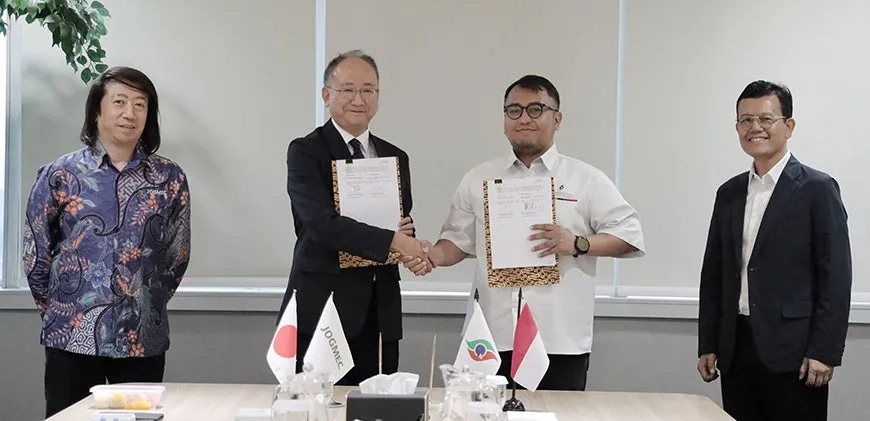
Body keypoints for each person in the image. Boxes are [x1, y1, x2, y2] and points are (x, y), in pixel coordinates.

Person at [407, 75, 645, 390]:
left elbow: (629, 236)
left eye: (536, 109)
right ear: (504, 120)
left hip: (557, 339)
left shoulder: (586, 179)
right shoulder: (478, 178)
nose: (524, 119)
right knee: (481, 411)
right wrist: (430, 255)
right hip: (490, 337)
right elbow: (457, 241)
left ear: (557, 119)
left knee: (556, 412)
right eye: (514, 110)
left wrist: (576, 243)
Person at [23, 66, 192, 418]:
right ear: (96, 112)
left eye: (140, 104)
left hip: (141, 338)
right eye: (119, 102)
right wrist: (61, 309)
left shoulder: (169, 177)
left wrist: (143, 302)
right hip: (70, 336)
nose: (130, 113)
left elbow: (177, 255)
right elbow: (36, 254)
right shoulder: (60, 174)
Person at [697, 80, 852, 421]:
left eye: (766, 119)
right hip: (736, 347)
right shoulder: (729, 193)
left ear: (789, 126)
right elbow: (714, 273)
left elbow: (835, 277)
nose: (755, 128)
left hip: (796, 352)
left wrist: (824, 351)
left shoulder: (817, 189)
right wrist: (708, 342)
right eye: (745, 120)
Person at [279, 50, 428, 385]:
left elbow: (398, 222)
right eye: (348, 89)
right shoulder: (306, 151)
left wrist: (410, 248)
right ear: (326, 95)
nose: (359, 99)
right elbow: (321, 225)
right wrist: (395, 241)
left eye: (368, 90)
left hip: (380, 310)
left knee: (378, 404)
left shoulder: (395, 156)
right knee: (316, 405)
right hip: (323, 309)